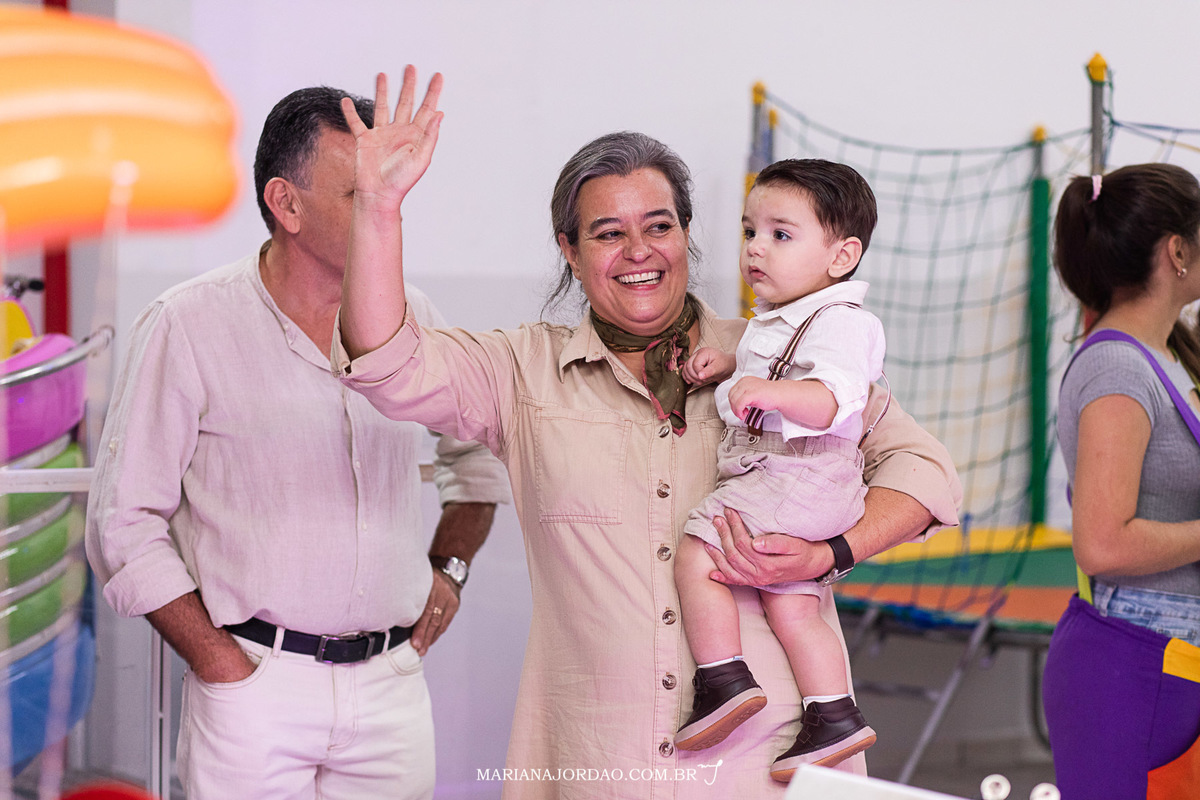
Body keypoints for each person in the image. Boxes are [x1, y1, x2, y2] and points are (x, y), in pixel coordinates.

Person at [333, 68, 961, 798]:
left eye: (659, 227)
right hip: (603, 763)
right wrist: (378, 208)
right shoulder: (520, 372)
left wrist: (829, 552)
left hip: (771, 764)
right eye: (608, 233)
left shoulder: (779, 354)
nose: (639, 251)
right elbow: (386, 361)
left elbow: (927, 474)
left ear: (686, 236)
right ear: (570, 251)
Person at [84, 85, 510, 800]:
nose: (385, 211)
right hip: (253, 688)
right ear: (286, 203)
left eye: (394, 194)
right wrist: (218, 661)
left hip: (391, 689)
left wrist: (452, 568)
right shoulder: (187, 323)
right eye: (362, 193)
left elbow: (477, 456)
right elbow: (123, 521)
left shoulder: (416, 317)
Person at [673, 159, 884, 780]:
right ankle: (834, 714)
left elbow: (833, 400)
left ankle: (723, 679)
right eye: (750, 231)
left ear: (842, 256)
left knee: (699, 550)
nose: (755, 248)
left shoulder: (843, 323)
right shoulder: (781, 316)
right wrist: (727, 365)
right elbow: (771, 359)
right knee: (793, 606)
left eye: (780, 234)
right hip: (808, 483)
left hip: (799, 471)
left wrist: (770, 392)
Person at [1043, 163, 1200, 799]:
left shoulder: (1170, 352)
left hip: (1165, 653)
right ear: (1177, 252)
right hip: (1133, 662)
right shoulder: (1117, 367)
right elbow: (1103, 544)